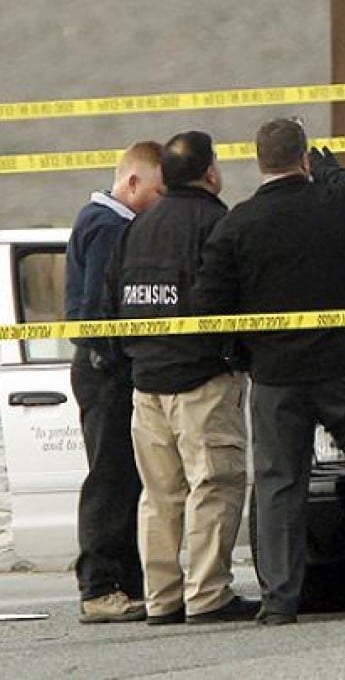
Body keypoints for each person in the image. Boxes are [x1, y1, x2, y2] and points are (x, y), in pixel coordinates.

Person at [194, 118, 345, 626]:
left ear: (259, 163)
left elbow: (209, 305)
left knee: (280, 483)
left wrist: (240, 354)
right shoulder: (335, 205)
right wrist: (327, 172)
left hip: (277, 376)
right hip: (344, 368)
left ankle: (279, 600)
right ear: (304, 158)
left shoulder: (236, 225)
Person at [105, 131, 258, 625]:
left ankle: (162, 598)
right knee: (214, 483)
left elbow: (111, 300)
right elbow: (229, 298)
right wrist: (237, 355)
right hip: (202, 381)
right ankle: (208, 594)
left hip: (146, 382)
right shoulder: (217, 222)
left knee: (159, 496)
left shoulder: (137, 228)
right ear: (210, 173)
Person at [66, 141, 164, 624]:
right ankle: (100, 586)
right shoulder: (107, 226)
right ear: (131, 183)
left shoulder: (104, 221)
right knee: (109, 478)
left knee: (126, 478)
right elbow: (95, 310)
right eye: (157, 191)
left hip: (103, 366)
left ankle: (126, 582)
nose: (160, 203)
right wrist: (116, 358)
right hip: (104, 371)